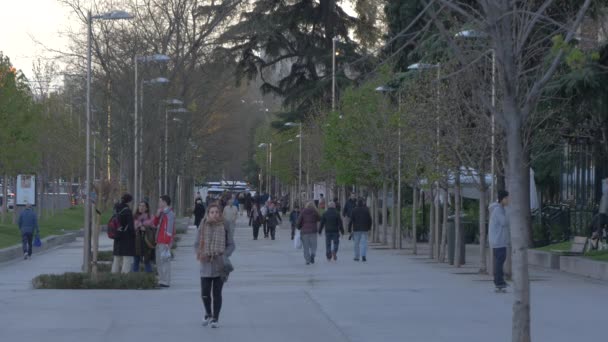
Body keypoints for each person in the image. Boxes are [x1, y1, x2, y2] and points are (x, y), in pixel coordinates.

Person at [194, 204, 235, 329]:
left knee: (217, 293)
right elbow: (196, 244)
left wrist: (224, 255)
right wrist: (200, 254)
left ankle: (215, 318)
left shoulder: (225, 225)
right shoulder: (203, 225)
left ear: (220, 213)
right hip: (205, 264)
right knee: (205, 293)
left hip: (219, 265)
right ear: (208, 213)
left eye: (217, 212)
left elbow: (231, 245)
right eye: (212, 212)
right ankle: (208, 313)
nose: (214, 214)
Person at [489, 190, 510, 291]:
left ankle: (499, 281)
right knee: (499, 262)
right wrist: (509, 212)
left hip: (498, 240)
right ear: (503, 199)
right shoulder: (498, 210)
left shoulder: (500, 209)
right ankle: (499, 282)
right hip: (498, 240)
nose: (509, 200)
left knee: (500, 261)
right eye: (507, 198)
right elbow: (504, 222)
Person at [154, 195, 176, 288]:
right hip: (159, 240)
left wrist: (168, 242)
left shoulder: (170, 214)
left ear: (165, 202)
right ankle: (161, 279)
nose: (159, 203)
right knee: (159, 261)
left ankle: (165, 281)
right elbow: (155, 224)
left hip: (165, 241)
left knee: (165, 261)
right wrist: (157, 216)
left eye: (160, 201)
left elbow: (170, 229)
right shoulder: (162, 213)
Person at [112, 194, 136, 273]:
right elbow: (131, 226)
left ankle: (114, 274)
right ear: (129, 202)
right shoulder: (127, 211)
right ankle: (125, 276)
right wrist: (134, 235)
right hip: (126, 237)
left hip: (117, 236)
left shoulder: (116, 209)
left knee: (117, 257)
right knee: (127, 257)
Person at [133, 201, 155, 273]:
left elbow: (154, 226)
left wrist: (145, 227)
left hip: (147, 241)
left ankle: (149, 277)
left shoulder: (150, 217)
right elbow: (133, 226)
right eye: (140, 206)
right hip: (136, 241)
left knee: (147, 260)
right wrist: (139, 225)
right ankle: (134, 277)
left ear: (146, 208)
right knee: (136, 259)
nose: (141, 207)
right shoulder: (134, 217)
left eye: (143, 206)